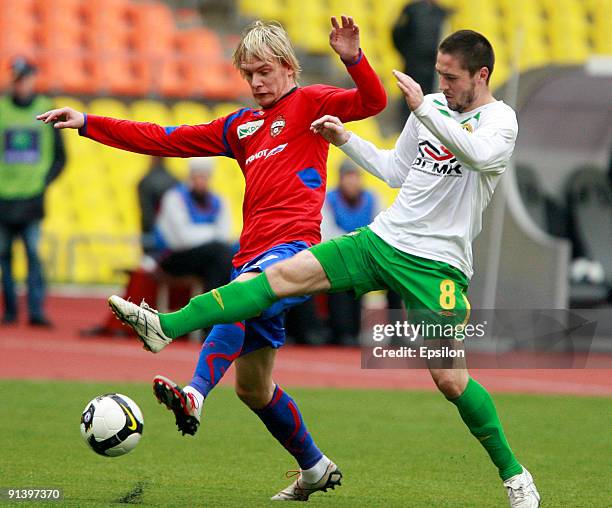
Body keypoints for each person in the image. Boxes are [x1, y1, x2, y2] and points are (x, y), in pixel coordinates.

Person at [103, 30, 541, 506]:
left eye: (451, 77)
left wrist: (422, 107)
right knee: (278, 278)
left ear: (481, 75)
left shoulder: (500, 121)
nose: (442, 84)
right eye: (438, 74)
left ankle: (515, 475)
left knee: (450, 379)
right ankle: (164, 326)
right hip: (382, 240)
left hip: (438, 264)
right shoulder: (432, 106)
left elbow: (479, 156)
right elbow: (396, 171)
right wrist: (346, 140)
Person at [38, 16, 386, 501]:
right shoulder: (240, 127)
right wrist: (90, 123)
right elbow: (165, 138)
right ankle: (314, 467)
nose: (256, 82)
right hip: (252, 252)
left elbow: (373, 102)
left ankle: (193, 388)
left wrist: (353, 59)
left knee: (243, 294)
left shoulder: (312, 103)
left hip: (293, 249)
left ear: (288, 67)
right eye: (248, 74)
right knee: (253, 389)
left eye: (264, 71)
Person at [0, 57, 66, 327]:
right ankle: (11, 310)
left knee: (34, 256)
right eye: (17, 79)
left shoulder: (45, 110)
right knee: (4, 257)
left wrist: (42, 181)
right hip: (3, 199)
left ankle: (36, 310)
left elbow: (61, 157)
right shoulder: (2, 110)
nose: (20, 84)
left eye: (24, 78)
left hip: (32, 200)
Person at [321, 160, 380, 344]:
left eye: (355, 177)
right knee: (341, 270)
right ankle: (342, 330)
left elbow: (380, 228)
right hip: (340, 254)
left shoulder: (372, 199)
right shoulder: (328, 200)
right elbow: (326, 233)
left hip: (366, 256)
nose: (352, 182)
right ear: (340, 179)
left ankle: (397, 333)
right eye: (348, 177)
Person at [392, 0, 449, 126]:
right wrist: (408, 54)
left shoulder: (442, 13)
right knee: (409, 97)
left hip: (434, 68)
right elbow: (397, 33)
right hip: (414, 65)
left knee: (429, 101)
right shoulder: (411, 9)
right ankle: (405, 129)